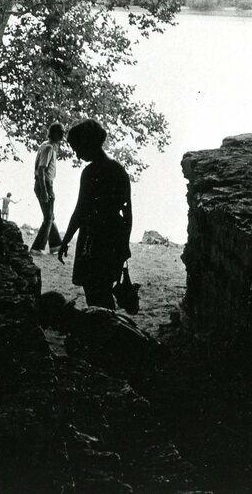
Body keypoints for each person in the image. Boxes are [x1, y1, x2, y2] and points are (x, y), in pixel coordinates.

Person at [57, 119, 132, 310]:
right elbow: (128, 214)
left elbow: (80, 210)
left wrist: (66, 240)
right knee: (104, 290)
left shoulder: (89, 173)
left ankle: (105, 331)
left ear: (87, 144)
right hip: (113, 239)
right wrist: (124, 244)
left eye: (77, 148)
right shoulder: (118, 170)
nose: (76, 153)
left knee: (95, 293)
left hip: (93, 241)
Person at [37, 291, 165, 377]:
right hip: (147, 355)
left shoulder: (91, 326)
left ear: (61, 317)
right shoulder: (90, 312)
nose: (56, 329)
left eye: (54, 324)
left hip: (145, 364)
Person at [31, 122, 64, 255]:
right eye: (60, 132)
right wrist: (45, 191)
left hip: (42, 184)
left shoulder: (45, 145)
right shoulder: (49, 148)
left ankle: (56, 245)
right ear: (54, 133)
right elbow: (41, 169)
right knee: (48, 218)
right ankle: (37, 248)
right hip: (45, 184)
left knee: (50, 215)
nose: (62, 135)